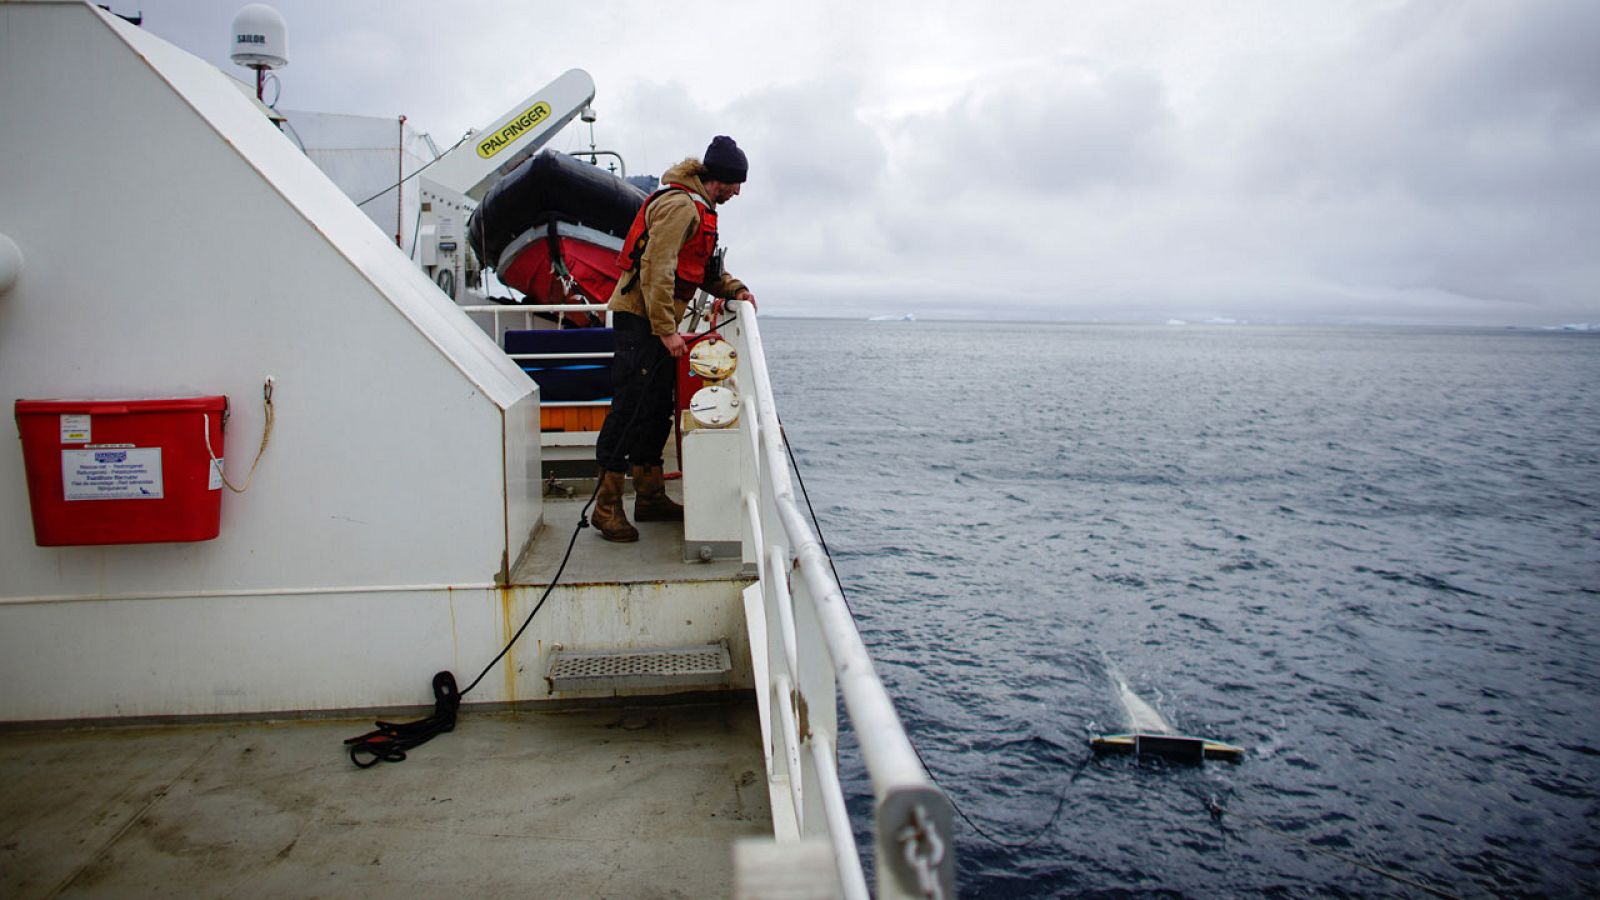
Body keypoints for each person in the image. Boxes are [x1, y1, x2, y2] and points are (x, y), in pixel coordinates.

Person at [590, 135, 757, 542]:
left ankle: (649, 496)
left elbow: (704, 272)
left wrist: (735, 290)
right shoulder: (680, 206)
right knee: (628, 409)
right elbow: (657, 268)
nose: (738, 192)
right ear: (719, 179)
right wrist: (665, 331)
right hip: (640, 321)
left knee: (655, 410)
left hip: (657, 321)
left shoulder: (700, 208)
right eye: (736, 183)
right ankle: (605, 508)